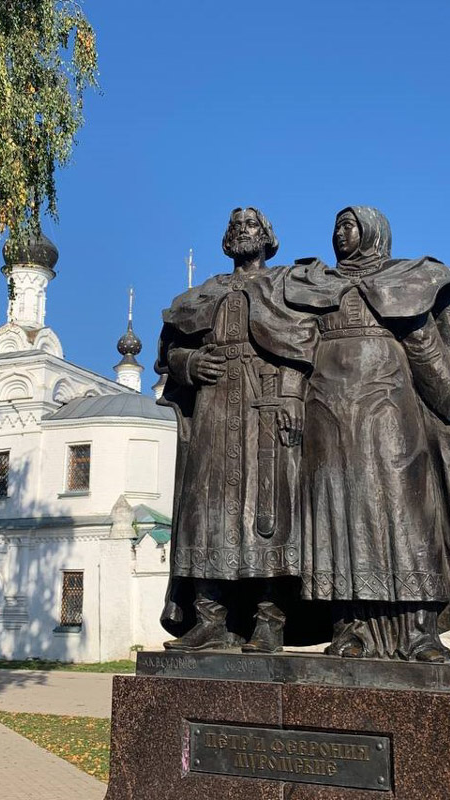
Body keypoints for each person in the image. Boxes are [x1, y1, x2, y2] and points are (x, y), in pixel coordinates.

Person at [283, 206, 450, 661]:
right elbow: (293, 351)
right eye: (337, 226)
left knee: (405, 515)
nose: (341, 234)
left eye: (350, 225)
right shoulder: (316, 285)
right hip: (326, 415)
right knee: (336, 518)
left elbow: (424, 350)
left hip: (388, 412)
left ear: (373, 232)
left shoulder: (400, 282)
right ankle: (350, 629)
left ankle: (419, 631)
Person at [156, 207, 319, 653]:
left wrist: (291, 395)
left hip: (265, 403)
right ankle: (210, 619)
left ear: (267, 236)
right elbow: (171, 350)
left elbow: (301, 341)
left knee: (270, 509)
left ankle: (269, 621)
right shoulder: (205, 291)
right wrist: (190, 363)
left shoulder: (284, 284)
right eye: (235, 226)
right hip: (212, 405)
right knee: (206, 509)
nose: (241, 230)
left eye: (250, 224)